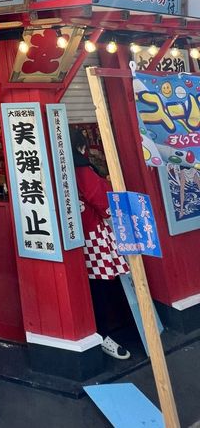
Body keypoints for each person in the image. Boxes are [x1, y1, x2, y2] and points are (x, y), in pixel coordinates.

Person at [71, 127, 132, 360]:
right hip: (94, 232)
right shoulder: (82, 170)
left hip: (81, 234)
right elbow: (101, 201)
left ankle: (101, 330)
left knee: (94, 282)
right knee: (102, 282)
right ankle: (105, 331)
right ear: (82, 147)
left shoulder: (64, 168)